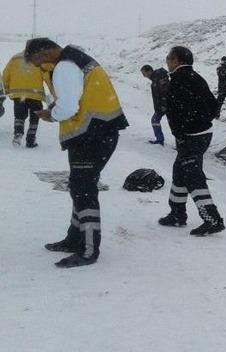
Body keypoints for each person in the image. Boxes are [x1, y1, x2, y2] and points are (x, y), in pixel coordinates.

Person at [26, 38, 128, 268]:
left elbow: (70, 106)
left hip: (91, 135)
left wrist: (52, 114)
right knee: (79, 186)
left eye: (39, 63)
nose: (42, 68)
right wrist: (56, 108)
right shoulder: (76, 61)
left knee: (83, 190)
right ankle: (74, 238)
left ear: (44, 53)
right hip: (100, 131)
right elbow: (79, 96)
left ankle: (88, 250)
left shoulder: (64, 67)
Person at [160, 46, 225, 236]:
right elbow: (214, 105)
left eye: (169, 58)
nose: (167, 61)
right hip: (202, 133)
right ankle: (177, 214)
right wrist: (203, 121)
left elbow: (173, 113)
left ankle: (212, 219)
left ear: (178, 61)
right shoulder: (197, 77)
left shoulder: (177, 81)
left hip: (190, 136)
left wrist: (181, 132)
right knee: (179, 171)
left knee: (192, 176)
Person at [2, 50, 53, 147]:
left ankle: (18, 133)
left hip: (18, 94)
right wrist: (53, 93)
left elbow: (5, 75)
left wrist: (5, 89)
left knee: (19, 115)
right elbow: (48, 78)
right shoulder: (40, 59)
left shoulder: (15, 58)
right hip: (35, 95)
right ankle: (30, 139)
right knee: (35, 116)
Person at [140, 64, 170, 145]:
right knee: (156, 120)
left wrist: (164, 104)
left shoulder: (159, 79)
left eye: (144, 73)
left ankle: (160, 140)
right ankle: (160, 140)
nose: (144, 76)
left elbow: (165, 92)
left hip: (166, 105)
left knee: (156, 120)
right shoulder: (155, 79)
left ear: (149, 71)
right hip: (162, 106)